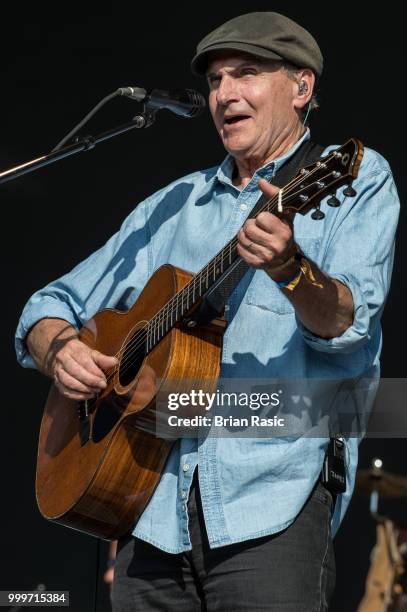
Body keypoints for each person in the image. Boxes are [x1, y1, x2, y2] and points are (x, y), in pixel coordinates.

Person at [15, 11, 399, 611]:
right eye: (216, 80)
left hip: (269, 506)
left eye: (246, 73)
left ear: (301, 88)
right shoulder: (173, 206)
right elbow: (45, 306)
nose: (224, 94)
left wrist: (289, 269)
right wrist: (60, 350)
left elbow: (347, 327)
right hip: (150, 512)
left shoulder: (357, 178)